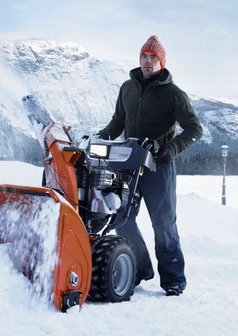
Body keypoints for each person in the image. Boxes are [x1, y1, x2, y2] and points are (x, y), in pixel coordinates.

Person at [98, 35, 202, 296]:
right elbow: (117, 123)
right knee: (122, 218)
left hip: (158, 166)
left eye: (152, 58)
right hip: (128, 163)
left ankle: (173, 279)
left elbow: (194, 129)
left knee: (164, 224)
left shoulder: (173, 94)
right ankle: (140, 267)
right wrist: (101, 137)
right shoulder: (127, 88)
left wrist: (169, 149)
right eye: (144, 56)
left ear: (161, 62)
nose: (147, 61)